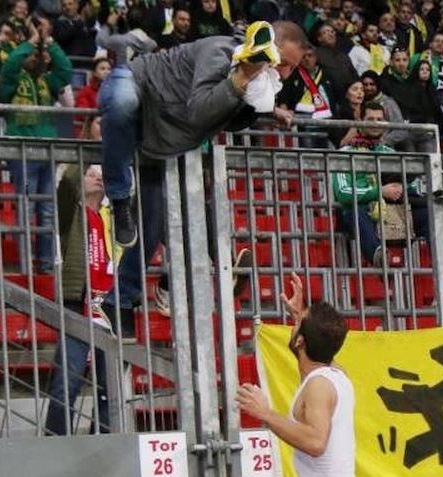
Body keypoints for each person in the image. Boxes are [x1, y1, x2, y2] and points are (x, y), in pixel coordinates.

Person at [96, 20, 305, 338]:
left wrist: (264, 109)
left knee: (151, 228)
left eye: (293, 68)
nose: (286, 75)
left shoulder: (249, 76)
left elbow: (228, 120)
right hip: (138, 86)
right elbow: (200, 111)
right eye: (285, 64)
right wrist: (241, 80)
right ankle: (120, 198)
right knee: (122, 101)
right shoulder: (220, 52)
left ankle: (119, 303)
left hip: (161, 137)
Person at [236, 274, 375, 477]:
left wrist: (265, 413)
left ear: (301, 341)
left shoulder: (319, 386)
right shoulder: (333, 375)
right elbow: (314, 353)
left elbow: (315, 442)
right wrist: (301, 317)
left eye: (298, 324)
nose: (294, 325)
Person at [45, 164, 115, 435]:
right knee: (67, 383)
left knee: (110, 389)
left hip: (110, 308)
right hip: (78, 304)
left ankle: (105, 441)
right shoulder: (69, 214)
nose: (99, 176)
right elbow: (68, 183)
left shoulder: (115, 218)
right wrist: (92, 146)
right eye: (90, 172)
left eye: (102, 172)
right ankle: (55, 443)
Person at [0, 16, 72, 273]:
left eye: (36, 54)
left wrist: (48, 41)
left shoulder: (47, 81)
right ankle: (25, 266)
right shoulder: (11, 80)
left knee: (48, 209)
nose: (34, 57)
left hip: (47, 150)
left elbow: (66, 71)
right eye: (30, 54)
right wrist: (31, 41)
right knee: (27, 208)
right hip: (22, 150)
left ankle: (45, 265)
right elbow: (9, 68)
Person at [332, 101, 429, 267]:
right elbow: (343, 193)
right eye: (370, 119)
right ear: (360, 121)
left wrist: (400, 188)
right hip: (360, 211)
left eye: (380, 119)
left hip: (392, 209)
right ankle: (378, 255)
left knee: (426, 211)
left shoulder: (391, 154)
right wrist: (380, 192)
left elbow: (411, 186)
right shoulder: (345, 154)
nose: (376, 124)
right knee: (354, 211)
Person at [359, 70, 409, 149]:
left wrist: (382, 141)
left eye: (372, 84)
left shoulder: (388, 103)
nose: (368, 88)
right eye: (365, 84)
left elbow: (401, 130)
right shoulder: (358, 102)